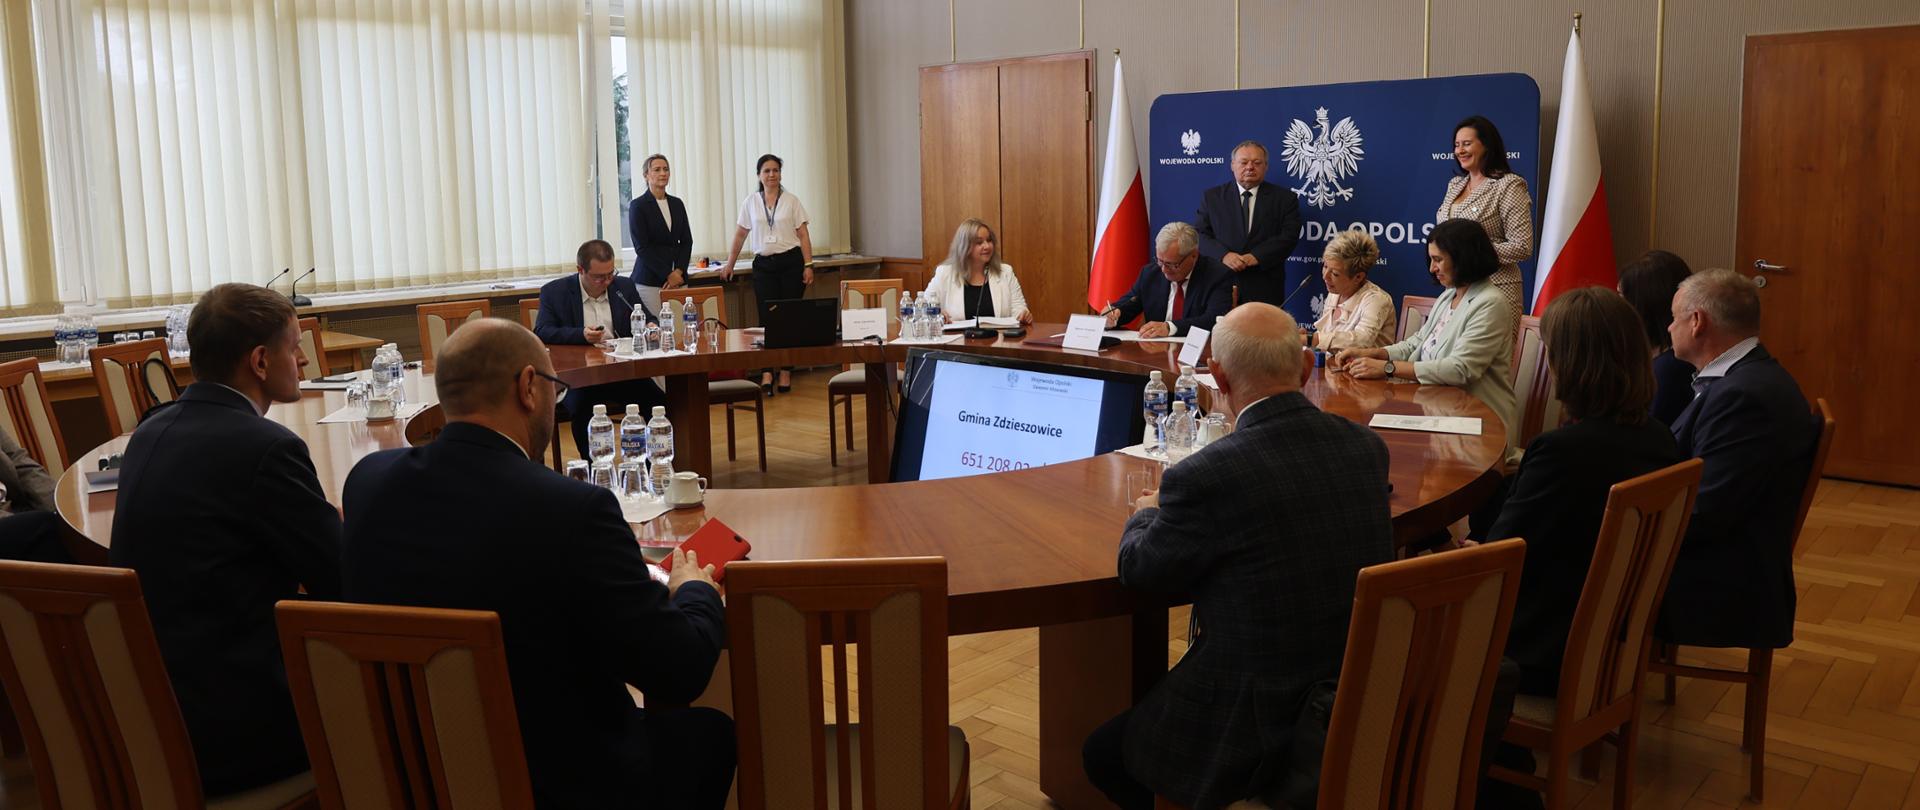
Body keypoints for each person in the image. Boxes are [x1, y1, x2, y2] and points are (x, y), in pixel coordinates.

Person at [340, 318, 733, 809]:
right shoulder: (572, 510)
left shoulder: (367, 482)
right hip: (547, 781)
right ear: (528, 387)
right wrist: (694, 589)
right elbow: (677, 672)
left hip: (411, 768)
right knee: (710, 734)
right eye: (554, 387)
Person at [1082, 303, 1394, 809]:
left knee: (1103, 755)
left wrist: (1146, 512)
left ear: (1218, 377)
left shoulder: (1206, 475)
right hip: (1355, 695)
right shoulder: (1366, 448)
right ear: (1305, 367)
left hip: (1255, 725)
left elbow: (1139, 572)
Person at [109, 283, 340, 797]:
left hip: (154, 718)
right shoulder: (266, 448)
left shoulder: (150, 431)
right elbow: (340, 578)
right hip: (236, 735)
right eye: (295, 347)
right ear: (260, 361)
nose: (304, 360)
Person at [1482, 287, 1684, 694]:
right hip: (1607, 642)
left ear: (1569, 363)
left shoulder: (1560, 452)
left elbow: (1497, 558)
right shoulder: (1660, 438)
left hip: (1535, 650)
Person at [1660, 268, 1817, 650]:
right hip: (1723, 555)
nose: (1668, 328)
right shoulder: (1745, 377)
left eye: (1674, 318)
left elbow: (1706, 512)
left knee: (1569, 564)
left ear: (1697, 322)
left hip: (1720, 585)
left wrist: (1625, 528)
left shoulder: (1743, 397)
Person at [1334, 219, 1520, 454]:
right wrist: (1373, 353)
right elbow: (1417, 343)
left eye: (1438, 260)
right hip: (1440, 413)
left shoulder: (1490, 303)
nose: (1432, 268)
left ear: (1463, 258)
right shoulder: (1448, 295)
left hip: (1479, 424)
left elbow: (1460, 370)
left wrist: (1388, 368)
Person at [534, 239, 665, 458]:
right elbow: (542, 331)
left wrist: (652, 326)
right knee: (582, 409)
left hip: (620, 373)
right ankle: (594, 468)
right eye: (599, 277)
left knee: (657, 401)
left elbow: (646, 317)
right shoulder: (555, 292)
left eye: (610, 274)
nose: (606, 281)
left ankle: (656, 464)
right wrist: (581, 335)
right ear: (580, 270)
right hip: (580, 378)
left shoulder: (623, 287)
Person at [721, 153, 814, 394]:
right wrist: (729, 264)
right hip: (764, 266)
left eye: (775, 170)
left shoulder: (792, 201)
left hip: (791, 264)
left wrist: (808, 265)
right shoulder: (751, 202)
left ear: (780, 174)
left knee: (789, 319)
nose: (772, 175)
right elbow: (740, 235)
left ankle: (785, 371)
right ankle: (766, 371)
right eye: (767, 171)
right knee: (767, 319)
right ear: (759, 175)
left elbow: (803, 235)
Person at [1437, 115, 1533, 319]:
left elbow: (1523, 246)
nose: (1460, 150)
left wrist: (1472, 251)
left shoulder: (1509, 185)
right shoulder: (1454, 185)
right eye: (1456, 145)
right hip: (1456, 290)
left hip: (1496, 289)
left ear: (1487, 146)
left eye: (1467, 144)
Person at [1192, 140, 1305, 307]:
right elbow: (1199, 234)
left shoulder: (1285, 198)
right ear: (1232, 165)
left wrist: (1257, 256)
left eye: (1257, 163)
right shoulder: (1212, 197)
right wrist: (1224, 255)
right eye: (1244, 162)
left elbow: (1289, 236)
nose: (1250, 167)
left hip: (1265, 284)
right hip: (1220, 282)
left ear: (1266, 166)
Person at [1102, 222, 1233, 339]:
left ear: (1194, 255)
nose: (1164, 269)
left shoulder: (1217, 275)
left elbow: (1213, 320)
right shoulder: (1150, 274)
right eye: (1160, 261)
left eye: (1171, 264)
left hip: (1198, 352)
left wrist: (1170, 327)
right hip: (1155, 351)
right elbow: (1129, 305)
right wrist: (1114, 315)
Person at [1618, 249, 1697, 426]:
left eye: (1622, 297)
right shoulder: (1651, 358)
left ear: (1644, 305)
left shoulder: (1669, 371)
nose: (1616, 307)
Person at [922, 218, 1033, 324]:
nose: (987, 246)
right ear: (964, 246)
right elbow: (923, 306)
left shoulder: (1005, 272)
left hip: (998, 337)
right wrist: (936, 313)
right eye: (979, 242)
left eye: (989, 240)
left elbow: (1019, 308)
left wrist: (1023, 315)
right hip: (958, 337)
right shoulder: (945, 273)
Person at [627, 153, 694, 317]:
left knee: (682, 325)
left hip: (678, 279)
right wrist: (668, 274)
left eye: (666, 169)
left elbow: (686, 241)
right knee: (656, 327)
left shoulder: (677, 204)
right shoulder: (638, 206)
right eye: (657, 170)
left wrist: (678, 272)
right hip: (650, 281)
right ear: (646, 175)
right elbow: (642, 247)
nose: (663, 173)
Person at [1307, 228, 1395, 350]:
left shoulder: (1377, 300)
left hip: (1366, 363)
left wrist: (1310, 339)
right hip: (1333, 362)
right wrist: (1302, 337)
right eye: (1325, 266)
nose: (1325, 276)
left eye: (1335, 273)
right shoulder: (1334, 294)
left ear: (1358, 277)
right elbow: (1325, 339)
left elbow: (1361, 341)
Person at [0, 427, 66, 563]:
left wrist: (59, 507)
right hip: (6, 519)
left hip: (18, 507)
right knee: (43, 526)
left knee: (75, 515)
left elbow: (21, 463)